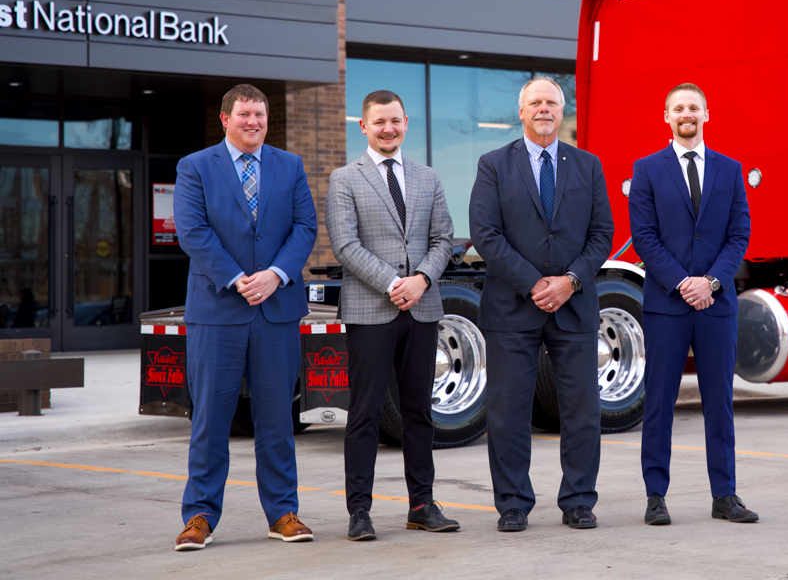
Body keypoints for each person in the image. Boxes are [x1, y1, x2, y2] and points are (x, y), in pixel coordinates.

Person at [172, 84, 318, 551]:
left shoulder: (289, 165)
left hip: (275, 311)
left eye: (260, 115)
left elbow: (305, 227)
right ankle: (199, 516)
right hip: (218, 310)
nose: (253, 122)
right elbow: (192, 232)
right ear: (225, 119)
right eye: (244, 115)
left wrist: (275, 275)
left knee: (276, 419)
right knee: (211, 420)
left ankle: (283, 513)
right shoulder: (195, 166)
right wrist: (238, 278)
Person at [468, 76, 614, 532]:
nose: (544, 109)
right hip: (512, 306)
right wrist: (535, 283)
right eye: (535, 102)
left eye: (552, 102)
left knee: (582, 410)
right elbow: (485, 234)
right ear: (522, 111)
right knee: (508, 412)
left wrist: (568, 281)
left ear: (562, 110)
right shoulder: (493, 164)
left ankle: (578, 501)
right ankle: (512, 503)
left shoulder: (588, 165)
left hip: (574, 304)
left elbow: (602, 233)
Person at [326, 90, 458, 541]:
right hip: (371, 310)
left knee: (420, 412)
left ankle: (422, 504)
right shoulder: (344, 178)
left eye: (396, 121)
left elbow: (444, 239)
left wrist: (420, 280)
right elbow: (345, 245)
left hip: (422, 309)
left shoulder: (428, 178)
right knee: (363, 414)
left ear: (406, 123)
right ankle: (359, 512)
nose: (388, 129)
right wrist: (392, 284)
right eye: (379, 122)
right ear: (363, 126)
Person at [627, 82, 756, 526]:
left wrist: (712, 282)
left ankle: (725, 496)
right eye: (679, 108)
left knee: (718, 401)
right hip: (667, 304)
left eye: (694, 107)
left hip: (716, 306)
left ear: (707, 114)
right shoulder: (646, 170)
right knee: (659, 401)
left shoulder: (730, 169)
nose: (687, 113)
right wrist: (684, 282)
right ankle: (656, 496)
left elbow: (739, 234)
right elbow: (643, 236)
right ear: (666, 116)